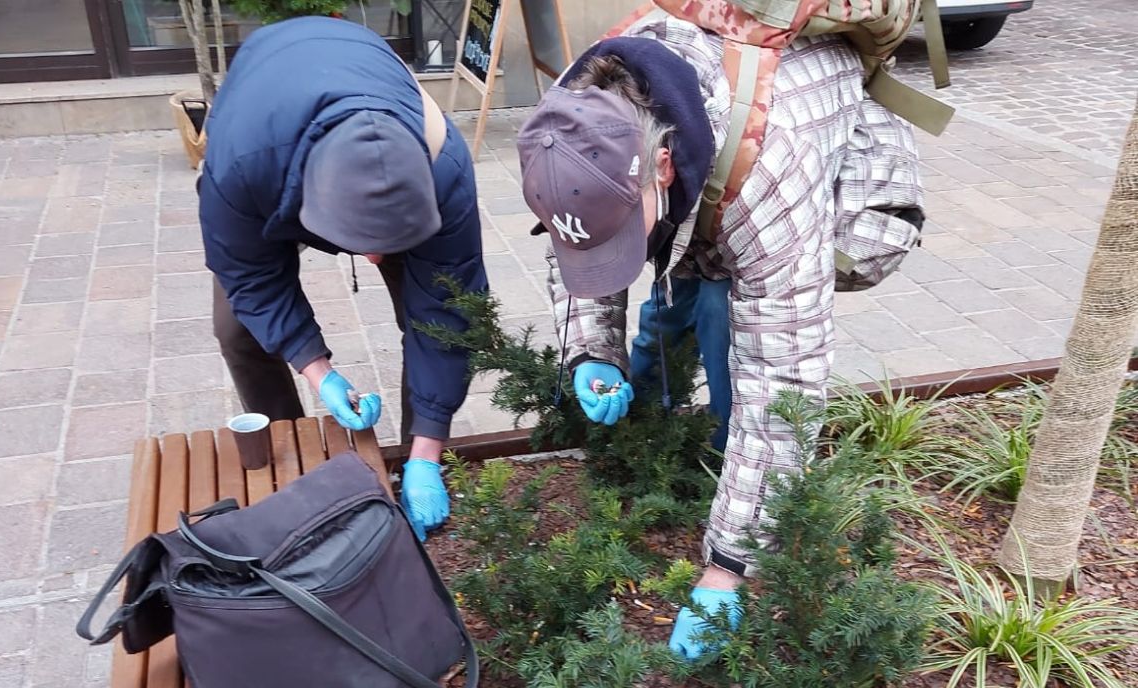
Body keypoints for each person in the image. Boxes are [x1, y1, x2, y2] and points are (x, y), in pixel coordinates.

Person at [516, 11, 924, 660]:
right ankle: (662, 416)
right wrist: (592, 351)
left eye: (625, 232)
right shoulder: (575, 113)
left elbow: (784, 381)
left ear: (664, 167)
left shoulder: (771, 189)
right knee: (684, 288)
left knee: (737, 348)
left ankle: (733, 478)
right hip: (712, 191)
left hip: (817, 176)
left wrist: (727, 567)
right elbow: (580, 227)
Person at [199, 17, 487, 541]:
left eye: (391, 245)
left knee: (431, 319)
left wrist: (428, 451)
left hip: (363, 98)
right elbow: (250, 277)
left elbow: (450, 312)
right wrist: (320, 372)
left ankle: (415, 461)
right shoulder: (240, 166)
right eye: (363, 245)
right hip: (266, 117)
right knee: (237, 330)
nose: (375, 259)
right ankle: (290, 458)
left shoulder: (442, 165)